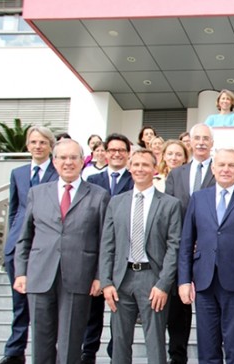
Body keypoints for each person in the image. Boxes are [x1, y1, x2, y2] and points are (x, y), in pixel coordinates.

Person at [13, 139, 110, 364]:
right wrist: (21, 272)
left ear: (82, 161)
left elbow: (105, 240)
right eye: (63, 158)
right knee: (41, 342)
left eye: (73, 157)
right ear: (54, 161)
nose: (68, 162)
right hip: (39, 275)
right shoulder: (37, 193)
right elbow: (25, 236)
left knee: (71, 343)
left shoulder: (98, 195)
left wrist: (99, 276)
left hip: (79, 277)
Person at [178, 149, 234, 364]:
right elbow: (186, 242)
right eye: (221, 165)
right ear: (213, 168)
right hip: (204, 281)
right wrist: (183, 280)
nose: (226, 169)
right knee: (207, 346)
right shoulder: (198, 198)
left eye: (231, 165)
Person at [99, 148, 182, 364]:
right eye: (135, 164)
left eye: (145, 164)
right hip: (121, 280)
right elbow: (108, 245)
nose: (140, 169)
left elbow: (174, 247)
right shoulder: (116, 202)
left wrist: (164, 284)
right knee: (119, 341)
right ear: (129, 167)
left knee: (155, 341)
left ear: (155, 169)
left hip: (152, 280)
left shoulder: (170, 204)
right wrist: (106, 282)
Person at [0, 127, 58, 364]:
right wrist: (9, 244)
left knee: (46, 304)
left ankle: (46, 352)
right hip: (19, 246)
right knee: (19, 303)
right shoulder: (18, 173)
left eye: (43, 142)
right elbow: (14, 210)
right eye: (33, 142)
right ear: (27, 145)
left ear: (50, 146)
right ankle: (15, 351)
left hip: (45, 245)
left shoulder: (58, 171)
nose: (38, 146)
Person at [164, 123, 216, 364]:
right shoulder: (176, 174)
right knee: (178, 309)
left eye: (206, 138)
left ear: (212, 143)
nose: (202, 142)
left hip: (210, 250)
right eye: (198, 138)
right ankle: (178, 356)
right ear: (190, 142)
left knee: (211, 308)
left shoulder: (220, 170)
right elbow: (169, 212)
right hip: (180, 249)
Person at [82, 133, 135, 363]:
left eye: (121, 150)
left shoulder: (135, 179)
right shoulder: (92, 180)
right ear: (103, 152)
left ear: (127, 153)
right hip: (96, 253)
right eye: (111, 149)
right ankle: (88, 353)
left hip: (125, 254)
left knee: (120, 311)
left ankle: (117, 352)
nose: (116, 154)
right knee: (93, 311)